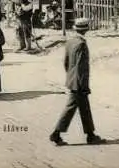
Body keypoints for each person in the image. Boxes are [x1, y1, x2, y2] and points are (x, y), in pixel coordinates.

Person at [49, 18, 106, 146]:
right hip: (79, 83)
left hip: (72, 80)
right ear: (86, 29)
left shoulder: (70, 42)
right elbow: (82, 68)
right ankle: (56, 133)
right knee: (71, 108)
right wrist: (82, 85)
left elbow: (66, 63)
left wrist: (71, 77)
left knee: (84, 109)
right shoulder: (81, 44)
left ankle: (90, 135)